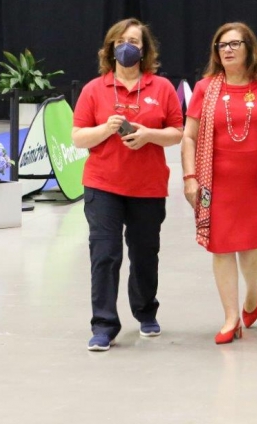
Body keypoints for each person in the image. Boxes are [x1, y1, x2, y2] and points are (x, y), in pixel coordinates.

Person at [72, 18, 184, 351]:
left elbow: (177, 132)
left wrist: (149, 135)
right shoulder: (95, 89)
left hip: (147, 187)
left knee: (145, 253)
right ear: (110, 48)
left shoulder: (161, 88)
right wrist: (106, 129)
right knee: (104, 255)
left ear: (145, 50)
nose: (127, 46)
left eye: (134, 41)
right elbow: (78, 137)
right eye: (121, 40)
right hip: (102, 185)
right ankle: (104, 325)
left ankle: (146, 311)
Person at [180, 22, 257, 344]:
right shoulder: (206, 87)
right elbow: (188, 136)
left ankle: (252, 295)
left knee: (252, 247)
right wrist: (189, 177)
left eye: (234, 44)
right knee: (222, 248)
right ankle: (231, 318)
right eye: (221, 45)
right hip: (217, 180)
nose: (226, 50)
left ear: (248, 48)